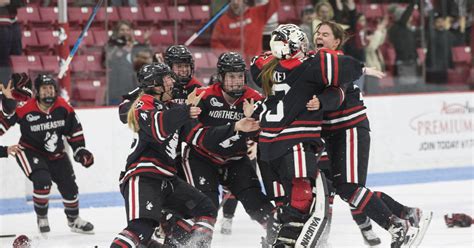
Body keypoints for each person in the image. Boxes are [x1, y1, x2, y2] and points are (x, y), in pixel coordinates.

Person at [110, 63, 261, 248]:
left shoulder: (173, 107)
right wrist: (185, 110)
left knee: (205, 209)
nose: (172, 82)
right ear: (155, 85)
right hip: (143, 175)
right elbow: (158, 128)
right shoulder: (145, 102)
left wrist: (235, 127)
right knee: (141, 228)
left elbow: (200, 137)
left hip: (167, 177)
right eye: (166, 79)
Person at [311, 21, 432, 247]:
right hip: (331, 134)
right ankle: (405, 214)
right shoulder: (314, 62)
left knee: (349, 188)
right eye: (317, 33)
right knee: (347, 190)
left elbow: (336, 90)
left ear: (336, 41)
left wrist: (320, 102)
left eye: (325, 34)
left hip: (350, 129)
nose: (319, 36)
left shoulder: (340, 63)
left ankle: (396, 224)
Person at [250, 24, 366, 247]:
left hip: (268, 144)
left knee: (287, 196)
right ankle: (282, 232)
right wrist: (362, 68)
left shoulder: (263, 68)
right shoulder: (311, 67)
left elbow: (258, 61)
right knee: (303, 196)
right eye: (299, 42)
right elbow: (350, 68)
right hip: (295, 140)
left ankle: (280, 235)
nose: (305, 46)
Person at [182, 52, 273, 235]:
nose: (236, 81)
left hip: (236, 159)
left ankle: (283, 239)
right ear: (221, 77)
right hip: (202, 159)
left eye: (240, 76)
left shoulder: (254, 99)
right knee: (207, 208)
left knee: (257, 204)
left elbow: (268, 131)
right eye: (231, 76)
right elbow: (192, 135)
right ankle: (190, 242)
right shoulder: (202, 96)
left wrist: (255, 120)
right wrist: (237, 126)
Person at [0, 74, 95, 234]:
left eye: (51, 88)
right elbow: (2, 127)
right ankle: (42, 218)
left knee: (70, 187)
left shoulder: (63, 107)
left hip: (57, 153)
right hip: (30, 151)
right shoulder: (25, 108)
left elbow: (74, 133)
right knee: (42, 180)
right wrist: (7, 110)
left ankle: (74, 221)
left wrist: (80, 151)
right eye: (44, 89)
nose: (48, 92)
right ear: (37, 91)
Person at [210, 0, 280, 62]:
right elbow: (215, 43)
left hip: (256, 64)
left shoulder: (257, 13)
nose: (235, 2)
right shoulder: (223, 21)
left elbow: (274, 5)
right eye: (232, 0)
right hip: (236, 67)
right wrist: (229, 57)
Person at [0, 0, 25, 84]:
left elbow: (22, 2)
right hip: (3, 25)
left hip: (12, 24)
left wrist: (8, 1)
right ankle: (4, 88)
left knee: (16, 56)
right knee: (3, 61)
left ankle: (10, 88)